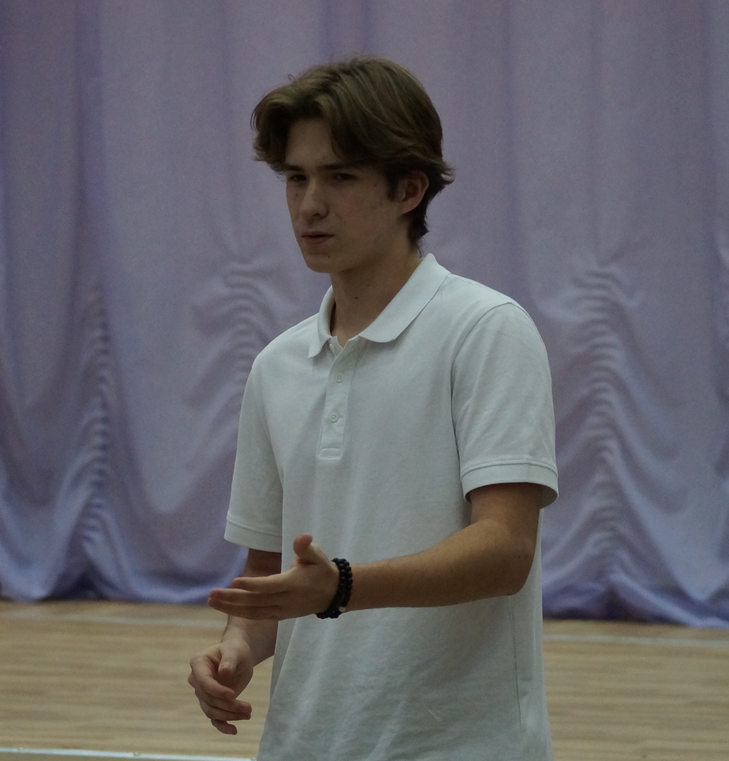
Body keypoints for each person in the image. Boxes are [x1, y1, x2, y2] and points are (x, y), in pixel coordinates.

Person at [188, 55, 558, 760]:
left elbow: (505, 550)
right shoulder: (276, 366)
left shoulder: (486, 330)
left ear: (409, 189)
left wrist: (342, 587)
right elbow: (270, 578)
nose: (309, 204)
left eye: (340, 177)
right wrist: (235, 647)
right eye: (295, 178)